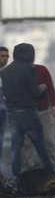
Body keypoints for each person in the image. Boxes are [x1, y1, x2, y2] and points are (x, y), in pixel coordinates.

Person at [0, 43, 55, 178]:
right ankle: (51, 173)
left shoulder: (5, 72)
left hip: (12, 112)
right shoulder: (27, 69)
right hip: (28, 111)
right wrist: (42, 88)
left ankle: (15, 176)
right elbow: (35, 93)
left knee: (16, 147)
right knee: (40, 144)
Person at [22, 63, 55, 170]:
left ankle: (52, 169)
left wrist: (54, 105)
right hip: (27, 111)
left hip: (43, 111)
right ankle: (28, 170)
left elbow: (50, 88)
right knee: (26, 143)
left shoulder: (41, 70)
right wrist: (37, 88)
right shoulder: (19, 72)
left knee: (49, 141)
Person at [0, 46, 9, 177]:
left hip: (4, 110)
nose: (4, 59)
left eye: (6, 56)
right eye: (2, 56)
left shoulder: (9, 72)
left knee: (1, 139)